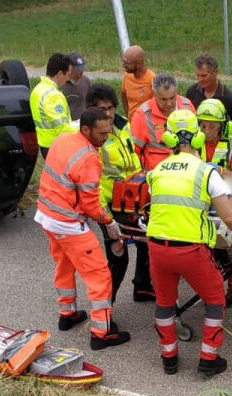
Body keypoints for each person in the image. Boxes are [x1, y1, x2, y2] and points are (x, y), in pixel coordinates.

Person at [145, 110, 232, 378]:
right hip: (189, 250)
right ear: (199, 136)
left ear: (167, 137)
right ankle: (208, 359)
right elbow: (230, 216)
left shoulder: (156, 172)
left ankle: (169, 357)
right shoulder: (205, 173)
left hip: (156, 248)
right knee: (214, 299)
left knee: (165, 302)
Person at [35, 108, 132, 350]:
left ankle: (67, 314)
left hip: (47, 216)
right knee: (99, 275)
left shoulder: (64, 140)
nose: (105, 138)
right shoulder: (89, 158)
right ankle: (101, 333)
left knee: (64, 264)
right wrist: (109, 222)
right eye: (101, 134)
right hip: (68, 224)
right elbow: (91, 206)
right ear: (86, 130)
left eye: (108, 132)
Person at [129, 73, 195, 302]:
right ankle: (145, 283)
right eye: (163, 100)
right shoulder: (143, 115)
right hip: (157, 186)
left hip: (186, 182)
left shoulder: (186, 106)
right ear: (153, 95)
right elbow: (133, 155)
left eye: (171, 98)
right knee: (153, 235)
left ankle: (177, 272)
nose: (168, 104)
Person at [86, 83, 145, 304]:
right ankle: (104, 309)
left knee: (146, 244)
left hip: (132, 197)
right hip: (109, 204)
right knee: (118, 258)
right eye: (102, 109)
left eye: (111, 108)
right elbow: (93, 183)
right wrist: (105, 218)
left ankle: (142, 287)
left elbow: (132, 155)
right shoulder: (93, 137)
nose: (108, 114)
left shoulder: (122, 125)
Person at [196, 98, 232, 307]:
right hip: (200, 202)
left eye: (212, 126)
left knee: (222, 247)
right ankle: (213, 283)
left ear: (222, 126)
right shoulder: (194, 143)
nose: (206, 130)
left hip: (225, 203)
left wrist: (220, 171)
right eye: (203, 125)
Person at [184, 54, 232, 166]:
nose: (200, 80)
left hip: (221, 149)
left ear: (216, 72)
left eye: (204, 76)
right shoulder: (191, 92)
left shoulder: (228, 97)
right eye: (197, 76)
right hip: (197, 148)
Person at [30, 53, 78, 159]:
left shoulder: (37, 89)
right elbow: (62, 129)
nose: (68, 79)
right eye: (68, 75)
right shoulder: (54, 96)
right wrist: (82, 128)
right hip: (57, 147)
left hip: (45, 144)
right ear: (60, 73)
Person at [120, 45, 155, 121]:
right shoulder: (127, 76)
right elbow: (123, 95)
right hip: (132, 122)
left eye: (127, 63)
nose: (123, 66)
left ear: (139, 64)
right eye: (124, 62)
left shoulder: (152, 79)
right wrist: (128, 115)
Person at [60, 51, 91, 120]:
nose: (80, 75)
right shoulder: (60, 85)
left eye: (82, 71)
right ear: (68, 69)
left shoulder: (86, 81)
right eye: (77, 71)